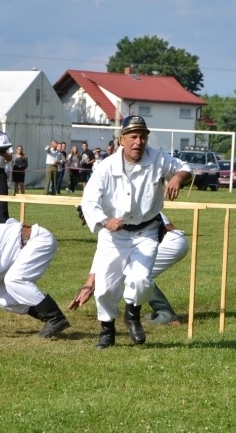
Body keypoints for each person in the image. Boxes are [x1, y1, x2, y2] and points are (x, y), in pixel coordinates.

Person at [80, 115, 191, 349]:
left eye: (142, 136)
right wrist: (104, 221)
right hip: (113, 235)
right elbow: (89, 201)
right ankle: (106, 330)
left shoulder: (158, 159)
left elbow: (185, 168)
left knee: (140, 279)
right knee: (105, 288)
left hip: (146, 232)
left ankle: (132, 316)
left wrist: (178, 178)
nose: (138, 142)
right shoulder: (105, 167)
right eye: (133, 136)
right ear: (122, 139)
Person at [69, 212, 189, 325]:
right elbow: (104, 253)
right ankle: (158, 312)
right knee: (132, 272)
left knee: (130, 272)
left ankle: (165, 314)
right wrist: (89, 283)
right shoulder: (109, 212)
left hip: (169, 241)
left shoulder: (113, 213)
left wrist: (91, 284)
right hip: (171, 239)